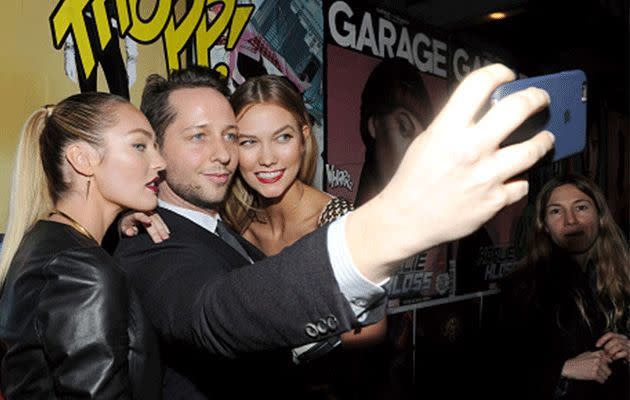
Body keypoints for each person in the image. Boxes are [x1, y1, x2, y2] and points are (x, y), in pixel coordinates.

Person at [114, 63, 554, 398]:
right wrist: (396, 220)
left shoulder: (214, 223)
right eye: (198, 136)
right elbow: (215, 311)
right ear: (155, 148)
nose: (224, 154)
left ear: (305, 139)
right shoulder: (151, 239)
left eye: (230, 136)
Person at [0, 93, 165, 398]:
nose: (160, 162)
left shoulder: (43, 240)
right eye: (139, 146)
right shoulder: (81, 270)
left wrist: (116, 223)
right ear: (82, 159)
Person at [498, 174, 629, 400]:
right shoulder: (521, 289)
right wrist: (563, 369)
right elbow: (497, 374)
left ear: (600, 217)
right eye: (556, 211)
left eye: (581, 207)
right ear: (545, 226)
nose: (570, 220)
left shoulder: (623, 276)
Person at [355, 58, 435, 206]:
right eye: (404, 128)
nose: (416, 151)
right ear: (374, 125)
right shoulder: (339, 221)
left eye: (423, 141)